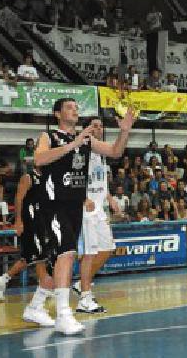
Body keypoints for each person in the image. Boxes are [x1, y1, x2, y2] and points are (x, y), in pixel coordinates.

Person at [33, 98, 136, 335]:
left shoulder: (87, 140)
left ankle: (40, 306)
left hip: (74, 206)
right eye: (69, 107)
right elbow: (39, 160)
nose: (74, 110)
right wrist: (73, 143)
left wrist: (124, 132)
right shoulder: (49, 136)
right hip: (53, 202)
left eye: (76, 107)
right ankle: (63, 313)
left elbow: (115, 151)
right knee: (68, 254)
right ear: (57, 113)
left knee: (64, 257)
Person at [0, 168, 58, 329]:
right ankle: (38, 303)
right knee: (40, 258)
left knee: (31, 257)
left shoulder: (48, 177)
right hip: (29, 222)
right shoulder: (28, 177)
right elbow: (19, 198)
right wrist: (18, 221)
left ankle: (4, 279)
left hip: (41, 222)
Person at [71, 119, 124, 314]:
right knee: (89, 253)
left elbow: (99, 180)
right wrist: (82, 198)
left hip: (100, 208)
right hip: (86, 209)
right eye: (94, 125)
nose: (98, 128)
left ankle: (80, 284)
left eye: (101, 126)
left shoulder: (101, 153)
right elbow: (71, 176)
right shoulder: (81, 149)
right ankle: (84, 299)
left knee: (108, 248)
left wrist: (110, 198)